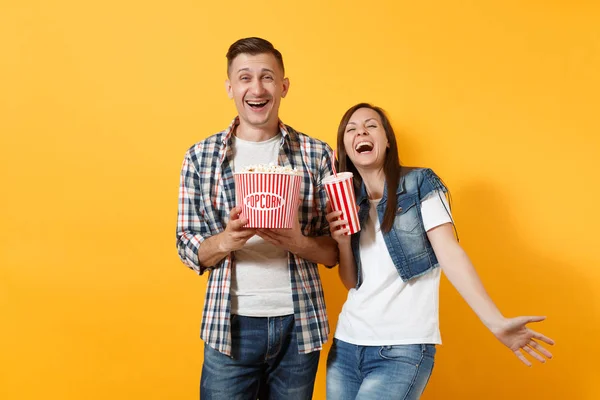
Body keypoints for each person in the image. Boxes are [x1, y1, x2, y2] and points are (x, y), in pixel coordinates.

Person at [325, 103, 555, 400]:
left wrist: (495, 321)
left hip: (403, 349)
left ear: (387, 139)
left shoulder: (419, 183)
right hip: (346, 344)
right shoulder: (348, 202)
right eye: (352, 129)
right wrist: (342, 242)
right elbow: (352, 283)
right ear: (345, 145)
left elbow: (450, 253)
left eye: (371, 125)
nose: (361, 132)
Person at [176, 37, 337, 399]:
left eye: (267, 77)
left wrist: (300, 243)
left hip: (300, 326)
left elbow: (337, 251)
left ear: (284, 86)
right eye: (245, 77)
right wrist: (227, 240)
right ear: (230, 87)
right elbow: (187, 245)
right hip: (228, 324)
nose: (257, 87)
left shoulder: (317, 154)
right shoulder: (200, 157)